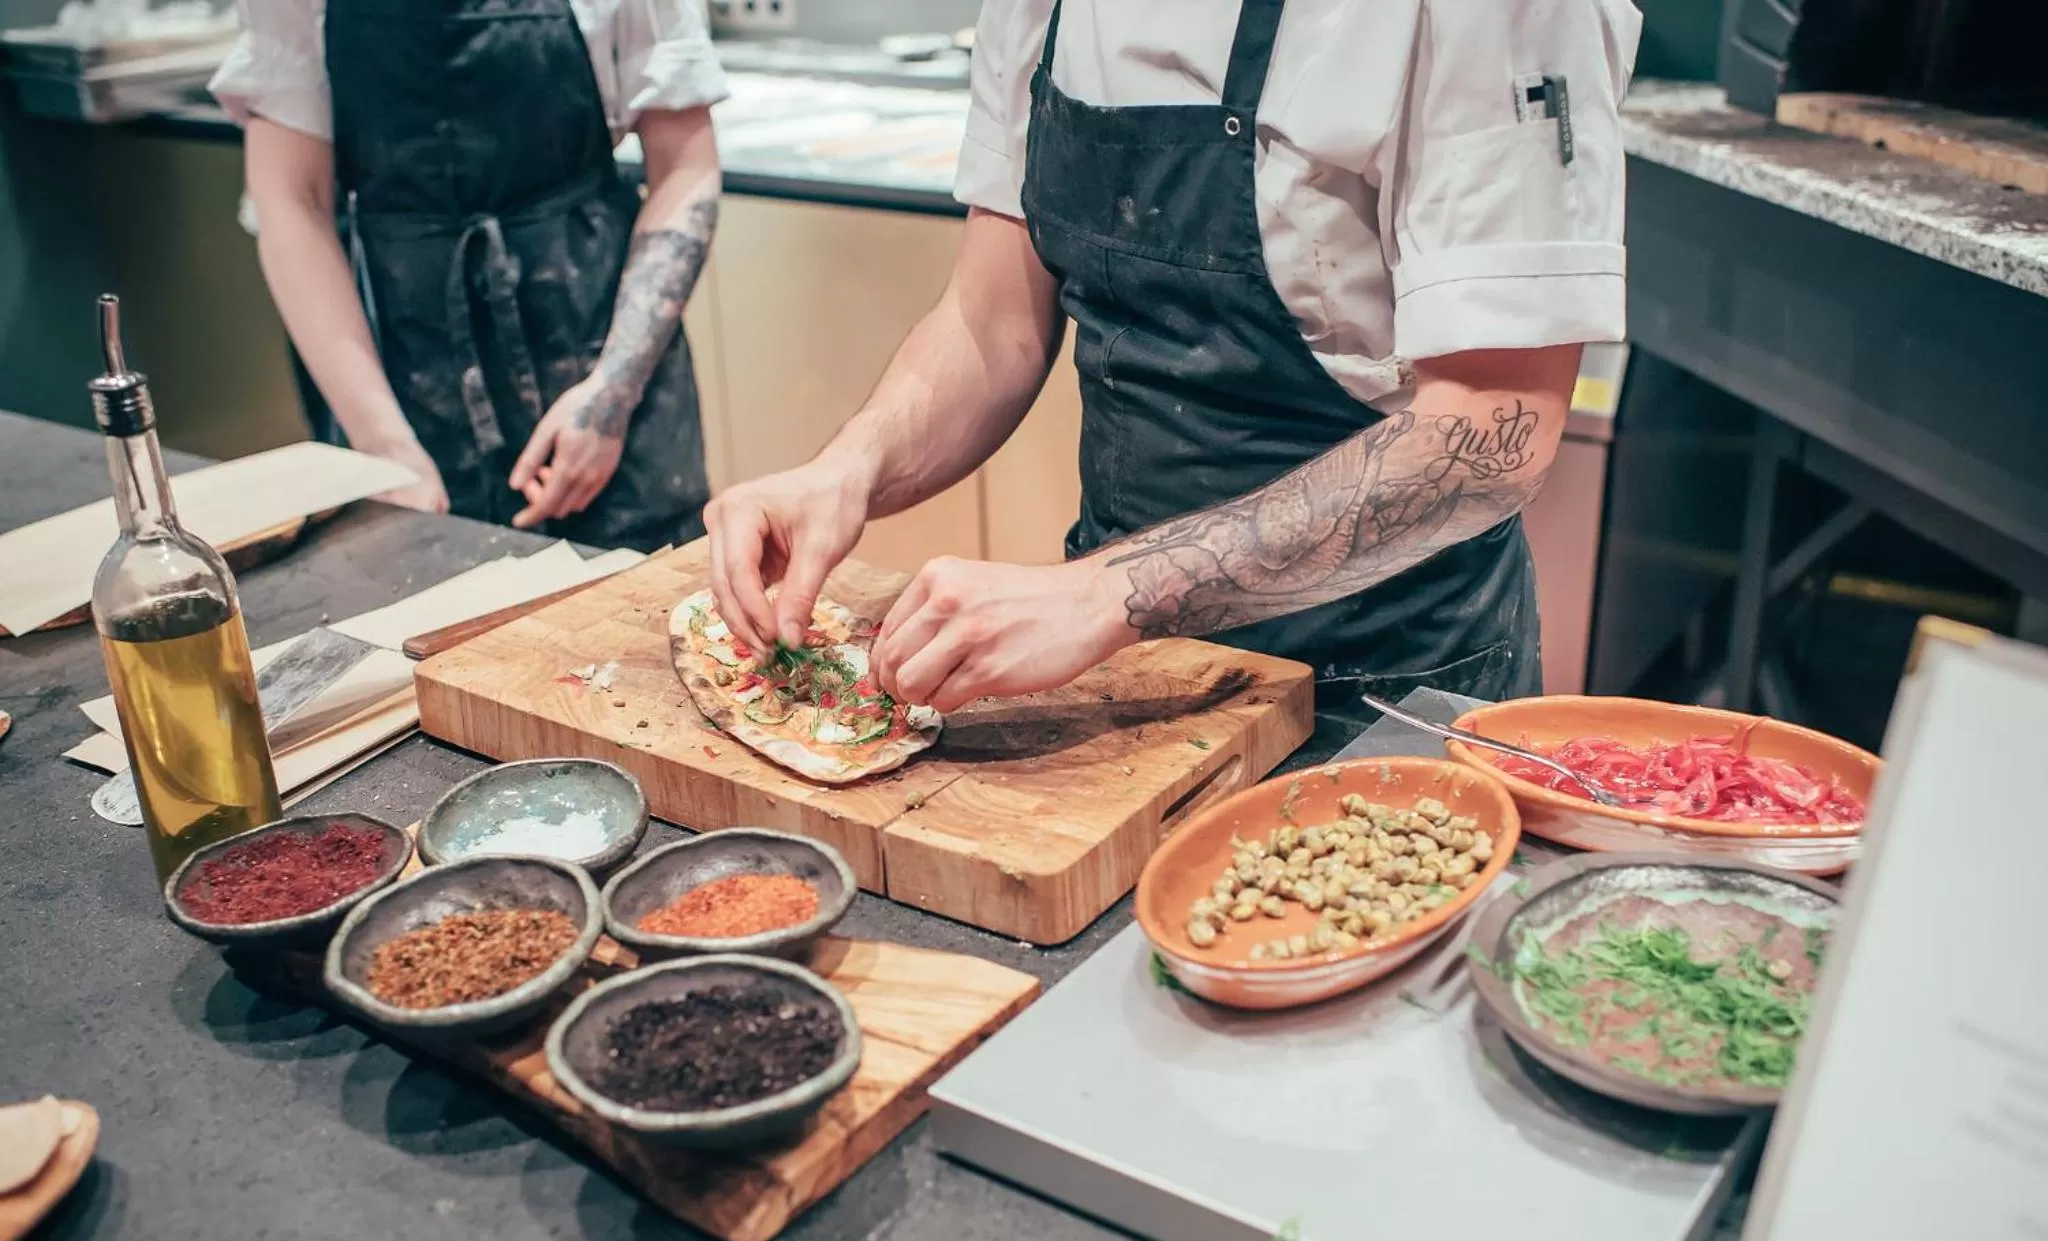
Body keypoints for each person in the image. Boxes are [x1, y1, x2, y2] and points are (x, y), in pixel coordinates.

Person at [706, 0, 1640, 711]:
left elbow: (1494, 430)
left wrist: (1101, 595)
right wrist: (848, 471)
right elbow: (992, 322)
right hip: (1126, 674)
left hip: (1384, 685)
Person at [211, 0, 726, 553]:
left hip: (597, 339)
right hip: (399, 368)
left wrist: (610, 395)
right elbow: (292, 202)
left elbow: (685, 167)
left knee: (647, 588)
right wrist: (383, 443)